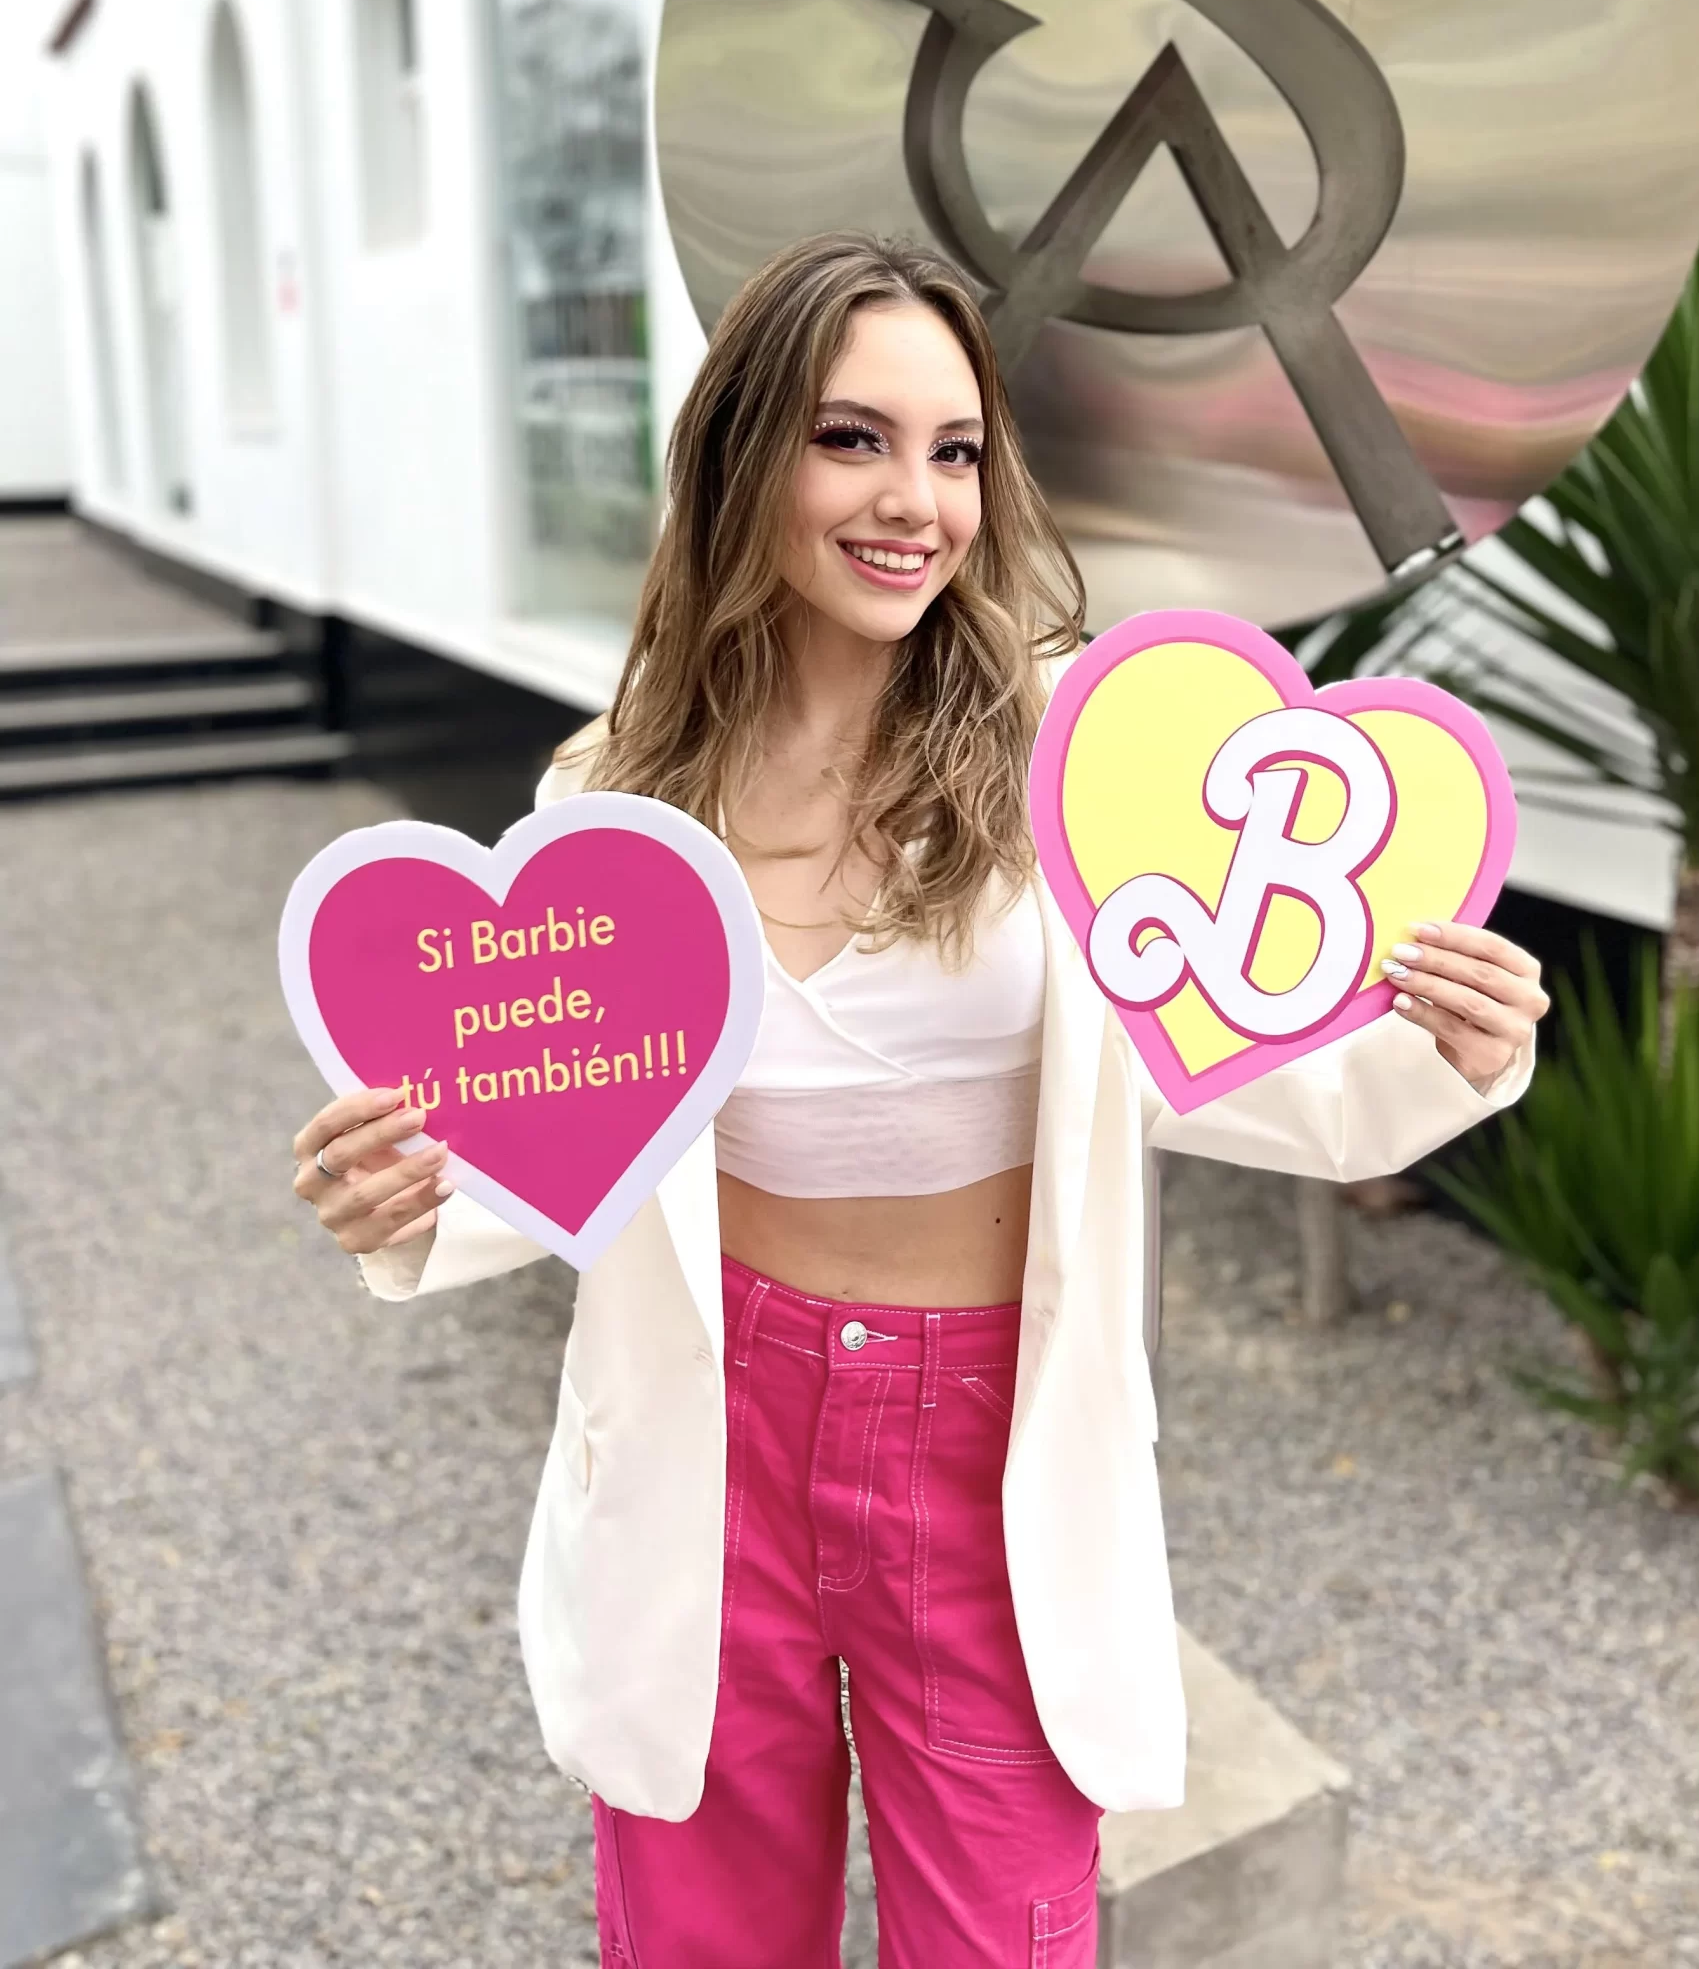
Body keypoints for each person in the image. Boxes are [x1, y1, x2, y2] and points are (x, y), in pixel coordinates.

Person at [293, 233, 1547, 1968]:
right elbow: (570, 1131)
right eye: (851, 438)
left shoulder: (1073, 762)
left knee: (1004, 1935)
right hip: (710, 1420)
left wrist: (1446, 1045)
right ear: (743, 458)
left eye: (954, 450)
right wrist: (416, 1200)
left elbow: (1235, 1060)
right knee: (702, 1937)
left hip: (986, 1448)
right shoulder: (609, 790)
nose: (917, 501)